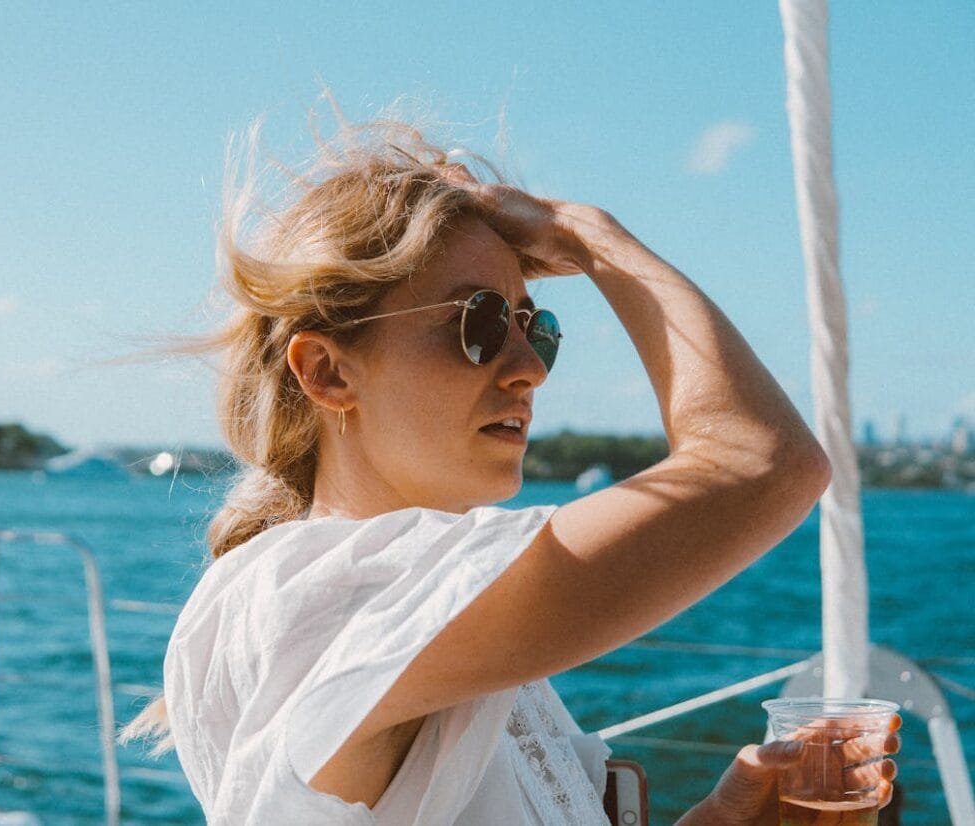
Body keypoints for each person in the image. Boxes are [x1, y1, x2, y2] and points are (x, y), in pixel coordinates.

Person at [122, 114, 899, 824]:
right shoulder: (326, 596)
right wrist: (590, 238)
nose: (529, 367)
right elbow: (764, 461)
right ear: (328, 372)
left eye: (536, 327)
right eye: (481, 323)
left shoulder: (423, 604)